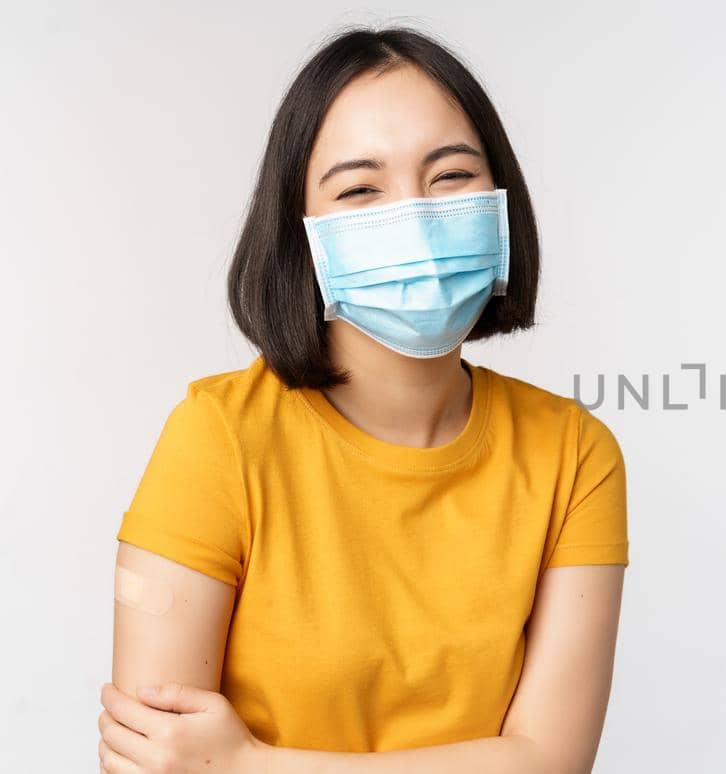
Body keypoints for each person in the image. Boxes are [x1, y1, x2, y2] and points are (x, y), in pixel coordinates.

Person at [96, 25, 630, 773]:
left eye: (450, 177)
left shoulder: (573, 453)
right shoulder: (216, 438)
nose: (413, 215)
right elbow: (157, 762)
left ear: (500, 199)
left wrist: (252, 765)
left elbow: (550, 762)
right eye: (361, 189)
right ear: (302, 234)